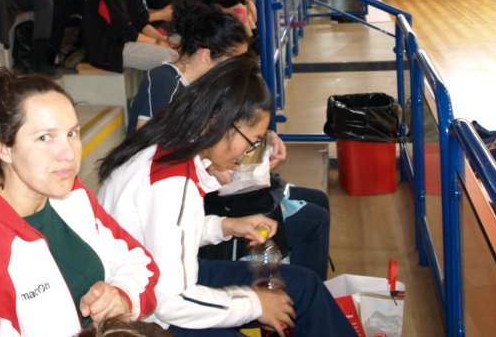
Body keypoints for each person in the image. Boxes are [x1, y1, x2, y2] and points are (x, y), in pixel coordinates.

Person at [98, 56, 355, 335]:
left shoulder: (172, 147)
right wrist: (256, 304)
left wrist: (227, 226)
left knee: (305, 286)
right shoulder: (172, 180)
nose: (248, 154)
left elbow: (168, 234)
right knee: (276, 298)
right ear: (216, 123)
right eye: (251, 142)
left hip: (162, 281)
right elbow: (171, 303)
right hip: (149, 313)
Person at [0, 68, 159, 335]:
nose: (68, 154)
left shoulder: (70, 194)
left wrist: (121, 296)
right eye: (44, 138)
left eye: (72, 133)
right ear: (4, 149)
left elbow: (140, 263)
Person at [128, 0, 248, 134]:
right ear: (205, 55)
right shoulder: (163, 83)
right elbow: (146, 144)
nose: (237, 69)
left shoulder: (205, 85)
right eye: (233, 62)